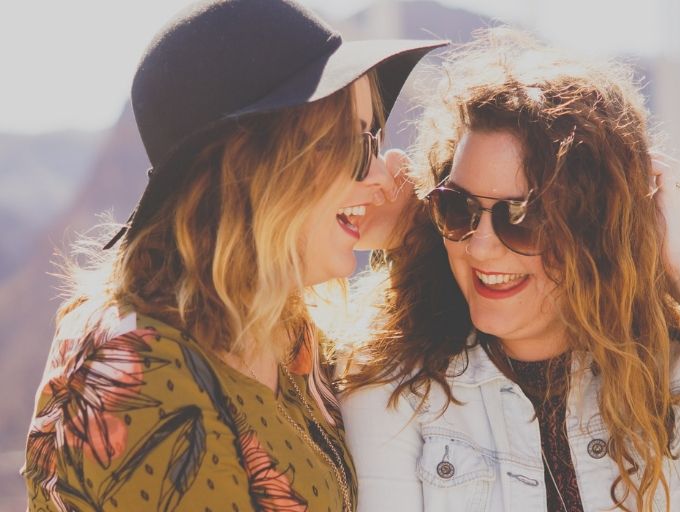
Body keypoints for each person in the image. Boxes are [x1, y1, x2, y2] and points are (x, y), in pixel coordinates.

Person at [339, 29, 680, 512]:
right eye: (458, 208)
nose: (481, 247)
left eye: (521, 217)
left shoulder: (661, 371)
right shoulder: (395, 389)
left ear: (592, 229)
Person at [20, 1, 444, 510]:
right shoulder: (138, 370)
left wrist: (421, 235)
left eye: (375, 139)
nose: (381, 178)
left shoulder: (286, 331)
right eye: (355, 146)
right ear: (254, 166)